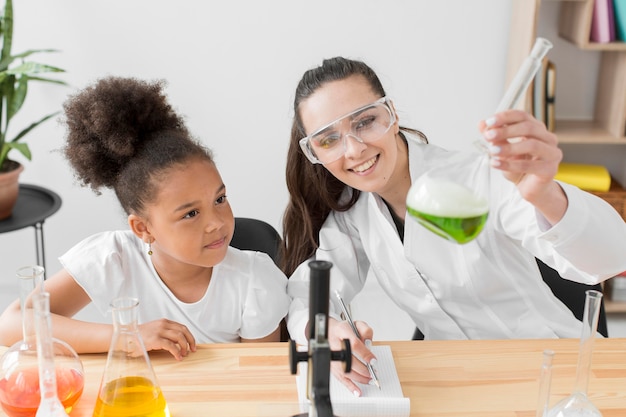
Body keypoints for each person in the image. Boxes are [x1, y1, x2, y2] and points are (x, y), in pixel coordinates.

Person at [281, 56, 626, 395]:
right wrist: (326, 331)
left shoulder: (482, 179)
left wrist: (545, 193)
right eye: (328, 140)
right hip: (458, 384)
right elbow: (306, 295)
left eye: (364, 122)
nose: (354, 150)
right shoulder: (353, 216)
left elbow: (610, 257)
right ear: (314, 153)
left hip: (550, 373)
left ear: (392, 115)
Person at [0, 77, 291, 359]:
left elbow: (257, 381)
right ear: (143, 228)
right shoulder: (113, 258)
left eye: (219, 199)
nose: (216, 222)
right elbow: (11, 324)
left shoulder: (254, 282)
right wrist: (127, 336)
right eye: (190, 213)